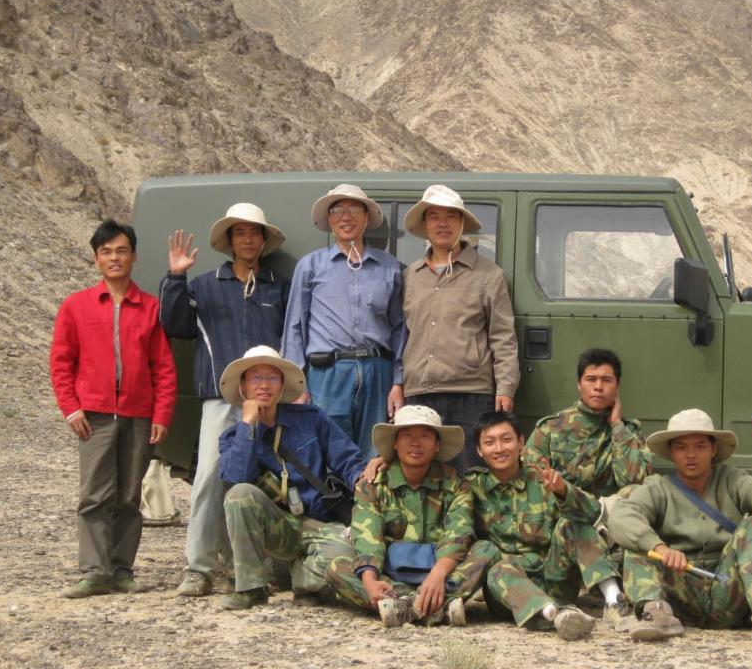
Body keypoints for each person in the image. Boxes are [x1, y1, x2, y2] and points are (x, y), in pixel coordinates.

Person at [159, 203, 290, 597]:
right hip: (220, 399)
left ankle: (246, 566)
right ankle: (198, 568)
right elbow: (174, 325)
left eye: (254, 232)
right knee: (209, 479)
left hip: (271, 401)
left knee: (265, 480)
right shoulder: (204, 285)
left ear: (264, 240)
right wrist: (176, 276)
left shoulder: (279, 287)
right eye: (239, 233)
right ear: (230, 241)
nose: (247, 239)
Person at [605, 408, 752, 644]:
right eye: (681, 448)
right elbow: (621, 517)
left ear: (713, 449)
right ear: (672, 453)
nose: (691, 455)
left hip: (727, 588)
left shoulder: (731, 479)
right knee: (638, 546)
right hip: (679, 595)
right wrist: (660, 548)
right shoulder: (658, 487)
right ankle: (656, 614)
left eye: (700, 446)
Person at [50, 219, 176, 598]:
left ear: (134, 256)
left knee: (129, 496)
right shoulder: (76, 306)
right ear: (96, 259)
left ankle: (121, 570)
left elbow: (164, 367)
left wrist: (162, 414)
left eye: (121, 250)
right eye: (106, 252)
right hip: (94, 416)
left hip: (139, 416)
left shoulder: (150, 308)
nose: (114, 258)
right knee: (95, 495)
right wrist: (71, 408)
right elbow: (61, 362)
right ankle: (94, 572)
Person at [216, 346, 366, 610]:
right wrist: (248, 425)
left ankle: (303, 579)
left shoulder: (311, 418)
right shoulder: (233, 437)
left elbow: (347, 460)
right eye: (256, 378)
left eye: (272, 378)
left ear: (282, 384)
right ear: (243, 387)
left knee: (346, 560)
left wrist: (363, 480)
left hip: (319, 522)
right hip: (279, 526)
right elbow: (237, 478)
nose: (264, 385)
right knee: (239, 495)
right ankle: (251, 588)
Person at [464, 410, 623, 640]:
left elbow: (593, 513)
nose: (499, 448)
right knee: (498, 568)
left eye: (506, 440)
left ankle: (615, 601)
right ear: (479, 450)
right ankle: (555, 615)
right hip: (509, 590)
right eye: (489, 443)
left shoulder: (542, 479)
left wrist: (563, 491)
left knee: (572, 522)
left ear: (521, 442)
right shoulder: (472, 487)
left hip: (553, 578)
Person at [327, 405, 487, 627]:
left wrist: (438, 575)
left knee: (486, 550)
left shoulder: (457, 484)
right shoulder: (372, 484)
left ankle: (403, 608)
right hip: (390, 572)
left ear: (437, 445)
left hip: (441, 572)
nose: (415, 443)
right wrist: (371, 581)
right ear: (395, 442)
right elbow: (367, 537)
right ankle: (434, 608)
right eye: (407, 435)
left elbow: (458, 534)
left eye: (425, 436)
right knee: (337, 568)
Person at [282, 184, 405, 458]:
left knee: (375, 451)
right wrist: (297, 385)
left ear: (366, 218)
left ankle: (367, 489)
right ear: (329, 219)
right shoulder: (310, 266)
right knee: (327, 450)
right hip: (327, 373)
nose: (345, 217)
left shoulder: (389, 267)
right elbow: (294, 327)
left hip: (377, 371)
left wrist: (398, 381)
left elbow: (399, 328)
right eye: (337, 210)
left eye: (354, 210)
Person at [401, 184, 519, 470]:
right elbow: (401, 335)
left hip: (472, 394)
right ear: (425, 225)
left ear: (462, 223)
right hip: (419, 393)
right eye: (434, 216)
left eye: (451, 216)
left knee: (470, 474)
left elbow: (503, 336)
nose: (442, 223)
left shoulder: (489, 275)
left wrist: (506, 387)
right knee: (423, 475)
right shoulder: (410, 276)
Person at [524, 348, 651, 499]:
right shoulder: (551, 427)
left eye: (606, 380)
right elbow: (530, 481)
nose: (598, 387)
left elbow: (634, 484)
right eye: (591, 379)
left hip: (614, 511)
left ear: (617, 386)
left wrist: (617, 426)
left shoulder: (629, 431)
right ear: (579, 384)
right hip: (563, 509)